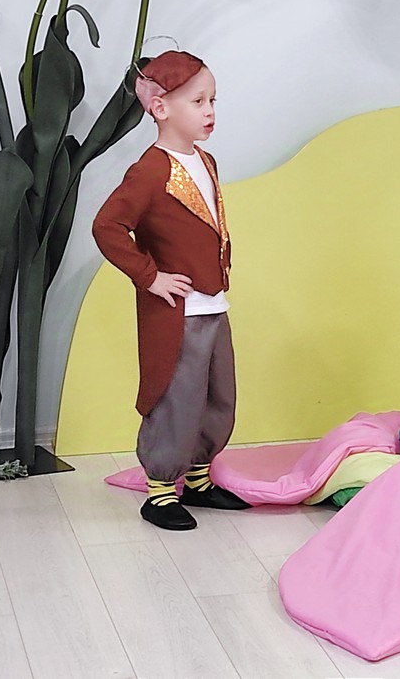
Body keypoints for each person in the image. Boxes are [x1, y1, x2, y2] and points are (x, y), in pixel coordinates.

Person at [93, 50, 250, 530]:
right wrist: (150, 276)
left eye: (213, 100)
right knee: (176, 395)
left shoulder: (206, 160)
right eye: (198, 101)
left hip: (212, 303)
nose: (210, 111)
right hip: (177, 313)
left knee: (217, 394)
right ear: (160, 108)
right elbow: (107, 226)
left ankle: (199, 477)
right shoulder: (151, 170)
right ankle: (161, 490)